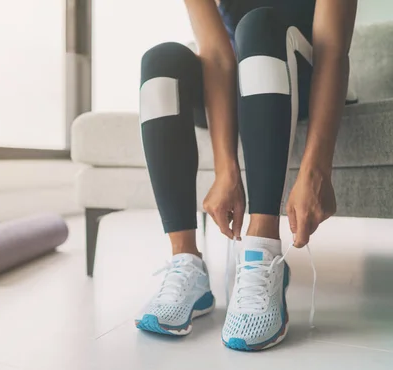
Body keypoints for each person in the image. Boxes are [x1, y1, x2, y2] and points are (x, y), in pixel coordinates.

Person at [134, 0, 358, 351]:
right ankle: (186, 262)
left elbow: (332, 49)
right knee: (160, 63)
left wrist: (317, 170)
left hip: (301, 69)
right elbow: (218, 56)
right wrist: (226, 170)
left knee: (258, 26)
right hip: (239, 83)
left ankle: (262, 252)